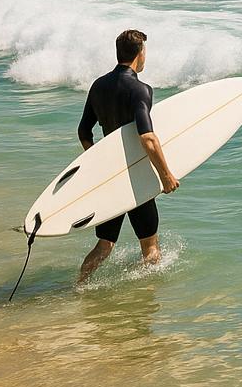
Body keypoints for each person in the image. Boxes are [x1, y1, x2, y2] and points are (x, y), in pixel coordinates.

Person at [76, 30, 179, 283]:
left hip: (111, 177)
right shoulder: (140, 89)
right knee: (150, 247)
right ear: (139, 54)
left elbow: (83, 131)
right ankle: (146, 303)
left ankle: (79, 286)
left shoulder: (98, 86)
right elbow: (148, 138)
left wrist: (98, 160)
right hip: (135, 178)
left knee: (104, 245)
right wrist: (166, 176)